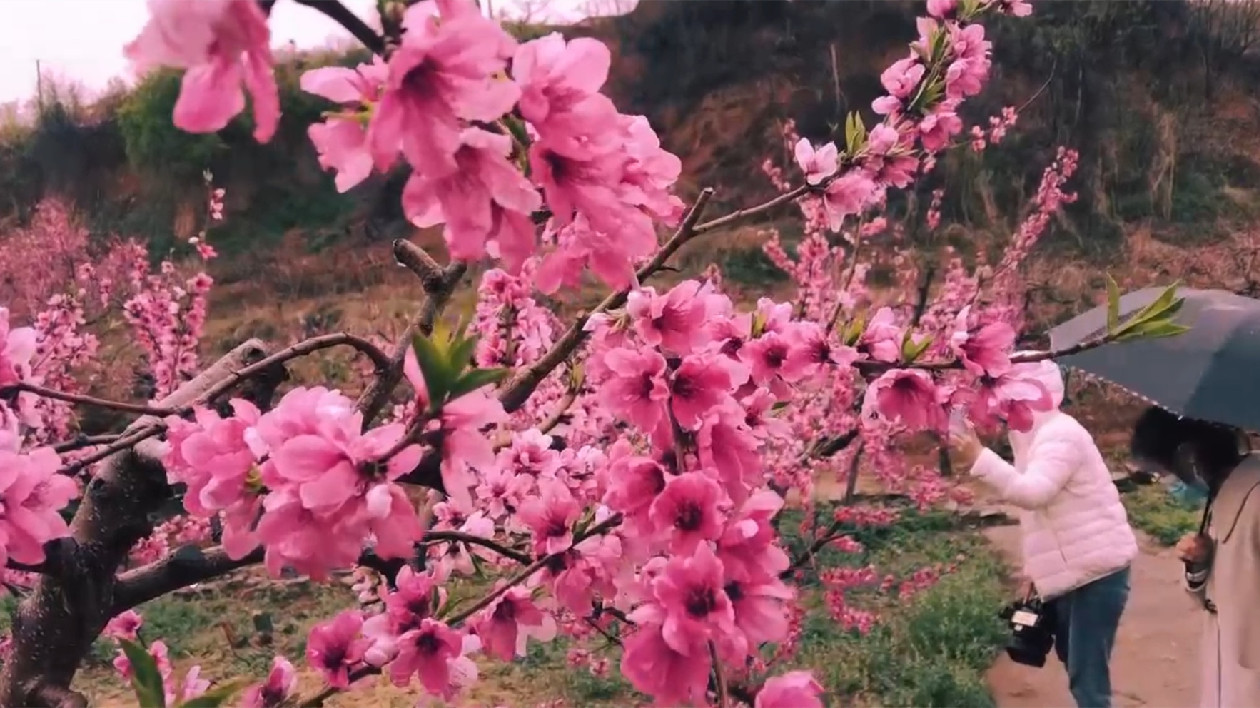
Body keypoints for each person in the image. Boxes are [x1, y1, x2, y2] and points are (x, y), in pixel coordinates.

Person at [950, 357, 1138, 708]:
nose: (1001, 406)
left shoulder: (1060, 434)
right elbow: (1039, 517)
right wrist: (1033, 572)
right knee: (1076, 662)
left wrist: (980, 457)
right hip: (1076, 571)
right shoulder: (1031, 437)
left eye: (1010, 396)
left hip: (1096, 573)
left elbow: (1033, 494)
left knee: (1087, 675)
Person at [1129, 406, 1260, 708]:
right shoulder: (1225, 494)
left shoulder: (1254, 498)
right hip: (1229, 671)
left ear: (1188, 458)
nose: (1165, 485)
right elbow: (1220, 595)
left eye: (1161, 474)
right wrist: (1198, 567)